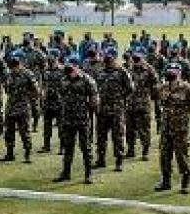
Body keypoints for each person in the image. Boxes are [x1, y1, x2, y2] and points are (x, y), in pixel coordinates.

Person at [54, 55, 99, 184]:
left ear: (77, 67)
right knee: (68, 147)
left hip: (82, 119)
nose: (69, 71)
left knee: (85, 147)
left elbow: (94, 98)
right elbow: (60, 94)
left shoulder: (87, 80)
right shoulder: (64, 79)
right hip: (67, 118)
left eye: (71, 68)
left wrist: (89, 109)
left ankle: (88, 174)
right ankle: (66, 173)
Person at [156, 62, 190, 193]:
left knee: (182, 156)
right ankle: (166, 181)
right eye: (169, 69)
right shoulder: (163, 87)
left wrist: (185, 116)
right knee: (164, 156)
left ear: (179, 73)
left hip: (180, 129)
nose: (171, 72)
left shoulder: (187, 88)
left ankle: (185, 183)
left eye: (174, 70)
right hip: (166, 127)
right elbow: (160, 103)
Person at [94, 47, 134, 172]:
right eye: (106, 59)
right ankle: (101, 159)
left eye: (110, 59)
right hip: (102, 110)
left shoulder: (122, 72)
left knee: (118, 136)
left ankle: (119, 161)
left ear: (114, 59)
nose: (107, 61)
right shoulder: (100, 72)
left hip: (116, 109)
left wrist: (120, 98)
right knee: (101, 136)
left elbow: (130, 88)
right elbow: (96, 88)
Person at [0, 50, 40, 164]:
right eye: (11, 68)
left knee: (24, 133)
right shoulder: (9, 74)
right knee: (9, 132)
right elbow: (6, 88)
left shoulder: (28, 74)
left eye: (14, 67)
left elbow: (36, 91)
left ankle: (27, 155)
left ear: (19, 65)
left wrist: (29, 99)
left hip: (23, 108)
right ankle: (10, 154)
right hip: (11, 106)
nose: (13, 70)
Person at [125, 47, 158, 161]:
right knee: (129, 129)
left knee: (144, 129)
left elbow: (155, 86)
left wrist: (151, 98)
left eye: (138, 59)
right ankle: (130, 150)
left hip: (143, 104)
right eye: (134, 59)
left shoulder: (149, 70)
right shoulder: (128, 69)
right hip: (130, 104)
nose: (136, 61)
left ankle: (145, 151)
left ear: (143, 58)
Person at [39, 49, 64, 153]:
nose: (50, 59)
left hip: (59, 102)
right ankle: (46, 146)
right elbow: (43, 85)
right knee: (47, 126)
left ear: (57, 58)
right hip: (48, 102)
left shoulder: (63, 70)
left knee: (61, 127)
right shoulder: (45, 70)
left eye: (52, 57)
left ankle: (63, 147)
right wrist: (42, 98)